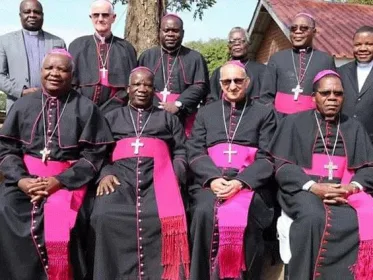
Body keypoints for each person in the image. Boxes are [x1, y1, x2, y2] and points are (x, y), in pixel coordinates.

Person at [0, 49, 112, 280]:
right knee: (5, 208)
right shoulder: (23, 105)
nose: (54, 73)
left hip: (67, 183)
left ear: (72, 75)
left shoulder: (86, 108)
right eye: (49, 68)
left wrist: (59, 181)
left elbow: (94, 155)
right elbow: (7, 148)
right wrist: (21, 180)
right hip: (25, 180)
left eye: (61, 69)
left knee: (72, 220)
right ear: (41, 72)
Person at [270, 70, 373, 280]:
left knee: (362, 218)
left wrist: (351, 187)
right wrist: (313, 187)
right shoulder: (294, 123)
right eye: (326, 93)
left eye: (338, 94)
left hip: (344, 189)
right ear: (314, 96)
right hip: (304, 189)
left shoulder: (354, 127)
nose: (332, 98)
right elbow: (282, 165)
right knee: (313, 218)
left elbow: (368, 167)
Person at [89, 67, 189, 280]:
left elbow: (181, 149)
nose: (142, 89)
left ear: (154, 90)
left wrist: (175, 174)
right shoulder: (112, 117)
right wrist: (105, 173)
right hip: (119, 179)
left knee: (160, 217)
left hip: (158, 179)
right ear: (128, 88)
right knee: (103, 215)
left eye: (147, 85)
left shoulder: (168, 119)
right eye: (137, 84)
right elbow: (99, 151)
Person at [187, 61, 276, 279]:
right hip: (211, 182)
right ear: (220, 84)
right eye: (227, 81)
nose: (233, 86)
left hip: (248, 184)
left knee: (247, 213)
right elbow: (195, 150)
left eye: (238, 81)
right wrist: (213, 179)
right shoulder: (206, 113)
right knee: (204, 211)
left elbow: (268, 157)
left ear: (247, 82)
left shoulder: (264, 113)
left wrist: (240, 182)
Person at [138, 14, 209, 137]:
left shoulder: (195, 58)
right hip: (151, 114)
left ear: (182, 33)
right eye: (166, 30)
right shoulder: (147, 56)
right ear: (159, 32)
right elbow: (138, 84)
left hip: (183, 116)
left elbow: (200, 85)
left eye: (175, 31)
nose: (170, 34)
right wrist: (156, 105)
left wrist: (178, 104)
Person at [260, 13, 335, 117]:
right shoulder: (277, 58)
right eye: (293, 28)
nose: (298, 31)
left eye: (303, 28)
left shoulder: (326, 60)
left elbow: (332, 95)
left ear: (314, 32)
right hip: (280, 122)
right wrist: (274, 121)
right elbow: (266, 96)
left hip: (313, 123)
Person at [68, 0, 137, 113]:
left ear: (113, 18)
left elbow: (128, 87)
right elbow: (71, 84)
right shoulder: (77, 45)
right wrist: (86, 106)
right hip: (81, 109)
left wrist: (110, 108)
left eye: (105, 15)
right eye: (96, 15)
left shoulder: (126, 48)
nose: (100, 19)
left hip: (115, 111)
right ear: (91, 17)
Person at [0, 0, 65, 113]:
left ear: (42, 15)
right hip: (18, 104)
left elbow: (65, 72)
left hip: (51, 105)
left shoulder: (57, 42)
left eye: (36, 12)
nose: (32, 15)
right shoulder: (5, 41)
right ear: (20, 15)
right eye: (27, 12)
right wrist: (21, 91)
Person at [208, 27, 266, 103]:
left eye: (241, 41)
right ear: (228, 46)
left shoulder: (262, 70)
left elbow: (267, 100)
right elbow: (212, 100)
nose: (237, 44)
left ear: (248, 44)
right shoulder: (218, 72)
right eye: (232, 41)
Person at [339, 26, 373, 143]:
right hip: (343, 138)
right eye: (358, 45)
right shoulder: (341, 72)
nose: (362, 48)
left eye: (369, 44)